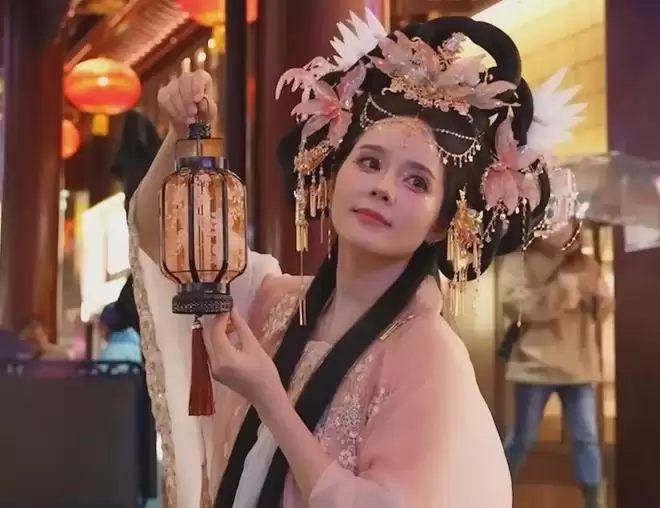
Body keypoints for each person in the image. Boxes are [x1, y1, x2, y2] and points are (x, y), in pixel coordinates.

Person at [130, 11, 575, 508]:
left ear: (441, 223)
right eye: (369, 162)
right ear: (333, 174)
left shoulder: (428, 354)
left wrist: (270, 398)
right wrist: (182, 133)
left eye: (416, 181)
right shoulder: (274, 300)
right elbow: (168, 243)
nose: (383, 188)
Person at [499, 220, 613, 508]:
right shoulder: (518, 260)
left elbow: (603, 309)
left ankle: (593, 500)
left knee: (586, 437)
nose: (559, 230)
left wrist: (600, 301)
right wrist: (563, 292)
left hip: (578, 366)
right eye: (551, 222)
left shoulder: (585, 264)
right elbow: (514, 306)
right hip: (533, 365)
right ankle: (495, 491)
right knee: (521, 438)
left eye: (566, 223)